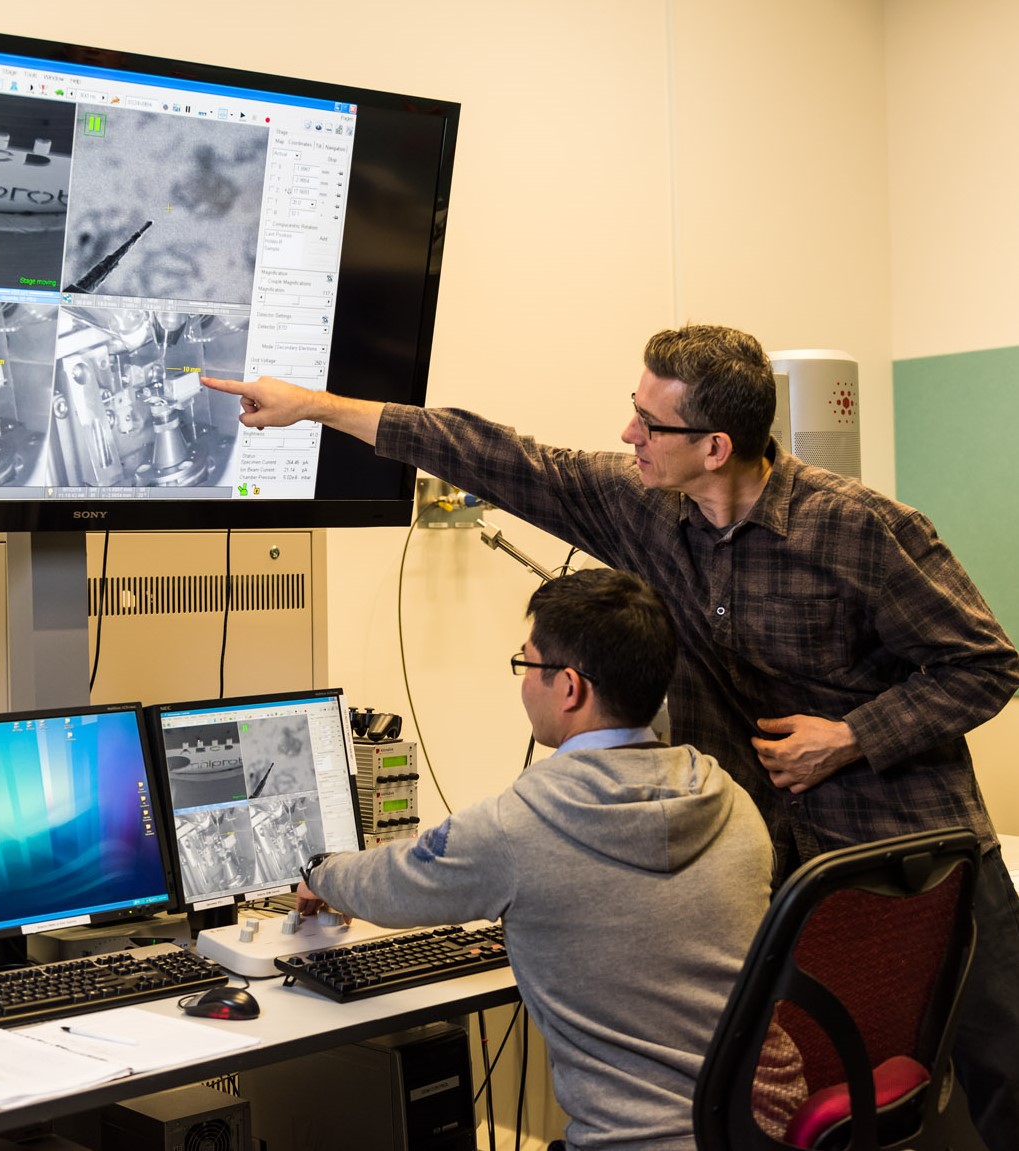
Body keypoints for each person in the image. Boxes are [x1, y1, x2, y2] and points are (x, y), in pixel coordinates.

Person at [203, 325, 1019, 1150]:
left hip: (914, 860)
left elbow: (984, 663)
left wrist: (848, 735)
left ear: (714, 445)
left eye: (647, 423)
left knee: (997, 1076)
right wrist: (316, 407)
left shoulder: (858, 530)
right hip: (780, 868)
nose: (628, 434)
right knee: (818, 1107)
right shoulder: (641, 507)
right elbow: (498, 456)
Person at [292, 567, 772, 1150]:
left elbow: (390, 885)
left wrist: (320, 870)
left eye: (527, 666)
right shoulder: (733, 804)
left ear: (570, 687)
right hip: (767, 1129)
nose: (523, 685)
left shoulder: (518, 826)